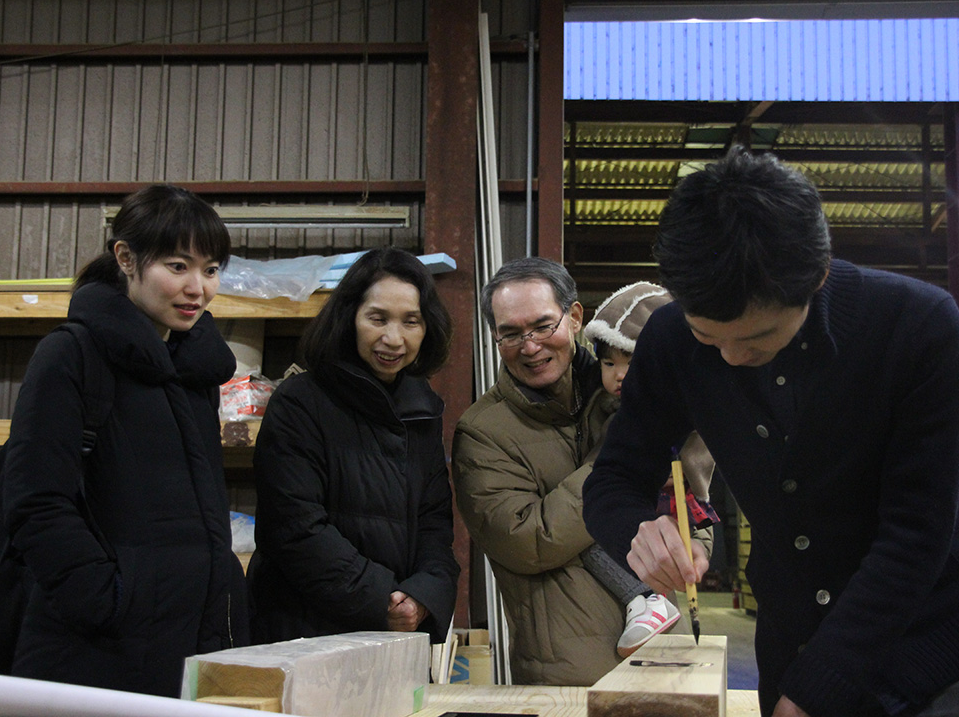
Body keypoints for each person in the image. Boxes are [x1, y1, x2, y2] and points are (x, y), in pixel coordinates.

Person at [583, 147, 959, 717]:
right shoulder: (671, 339)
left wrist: (816, 690)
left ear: (817, 277)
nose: (729, 358)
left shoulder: (917, 326)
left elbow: (915, 535)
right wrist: (638, 530)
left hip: (929, 645)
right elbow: (614, 479)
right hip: (795, 637)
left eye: (757, 338)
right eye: (710, 338)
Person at [1, 185, 248, 697]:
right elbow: (36, 501)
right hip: (94, 647)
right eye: (178, 266)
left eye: (210, 269)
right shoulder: (71, 355)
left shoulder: (196, 373)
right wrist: (104, 597)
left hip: (190, 634)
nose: (196, 288)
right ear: (126, 258)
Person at [247, 247, 459, 645]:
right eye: (377, 318)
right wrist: (383, 600)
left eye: (411, 321)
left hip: (395, 635)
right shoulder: (301, 401)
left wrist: (424, 595)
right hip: (305, 631)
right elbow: (295, 530)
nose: (393, 338)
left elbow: (435, 525)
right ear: (350, 319)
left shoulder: (422, 411)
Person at [451, 257, 622, 686]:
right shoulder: (482, 431)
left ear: (575, 317)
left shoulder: (622, 395)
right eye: (510, 333)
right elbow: (528, 542)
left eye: (543, 325)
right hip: (567, 677)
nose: (529, 346)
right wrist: (621, 461)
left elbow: (682, 497)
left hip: (665, 652)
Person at [580, 281, 717, 657]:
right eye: (609, 363)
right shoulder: (600, 407)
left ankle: (646, 599)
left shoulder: (672, 413)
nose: (620, 375)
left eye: (632, 363)